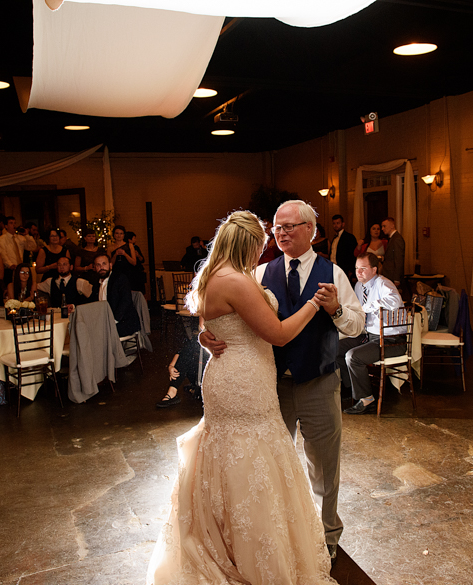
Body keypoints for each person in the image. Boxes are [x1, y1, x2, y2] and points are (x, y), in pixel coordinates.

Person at [147, 210, 338, 583]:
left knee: (226, 457)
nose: (261, 254)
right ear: (249, 243)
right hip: (244, 382)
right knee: (251, 461)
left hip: (225, 375)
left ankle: (221, 539)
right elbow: (279, 334)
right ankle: (249, 551)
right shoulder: (236, 279)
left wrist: (205, 335)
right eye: (261, 246)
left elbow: (208, 322)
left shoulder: (211, 275)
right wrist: (313, 305)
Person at [200, 201, 365, 567]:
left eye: (290, 226)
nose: (282, 233)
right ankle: (280, 538)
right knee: (271, 468)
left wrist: (336, 309)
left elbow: (356, 326)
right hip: (268, 387)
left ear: (311, 230)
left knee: (324, 467)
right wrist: (205, 334)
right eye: (277, 228)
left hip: (318, 382)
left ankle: (325, 538)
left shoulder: (333, 272)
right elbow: (223, 312)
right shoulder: (256, 274)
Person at [337, 253, 405, 414]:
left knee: (353, 356)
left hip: (391, 340)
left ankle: (366, 400)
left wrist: (367, 307)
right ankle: (350, 389)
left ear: (374, 269)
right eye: (356, 268)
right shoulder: (359, 287)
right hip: (369, 335)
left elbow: (395, 301)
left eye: (363, 268)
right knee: (335, 348)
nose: (358, 272)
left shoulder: (383, 283)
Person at [87, 253, 140, 337]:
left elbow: (125, 301)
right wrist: (74, 306)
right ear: (95, 268)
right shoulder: (97, 283)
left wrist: (113, 320)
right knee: (85, 329)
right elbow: (91, 302)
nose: (101, 267)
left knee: (96, 333)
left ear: (110, 265)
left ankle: (106, 350)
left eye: (104, 264)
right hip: (106, 321)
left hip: (123, 321)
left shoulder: (120, 279)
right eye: (98, 265)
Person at [155, 336, 203, 408]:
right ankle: (172, 392)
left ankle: (196, 388)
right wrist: (171, 366)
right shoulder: (200, 336)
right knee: (187, 355)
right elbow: (182, 351)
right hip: (200, 375)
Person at [329, 214, 357, 281]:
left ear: (343, 224)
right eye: (334, 223)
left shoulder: (349, 237)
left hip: (344, 269)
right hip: (334, 268)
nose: (336, 225)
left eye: (338, 223)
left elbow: (353, 255)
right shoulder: (334, 238)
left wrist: (351, 271)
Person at [0, 216, 21, 284]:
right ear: (6, 226)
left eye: (15, 223)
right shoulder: (1, 239)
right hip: (9, 269)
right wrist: (10, 265)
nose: (14, 225)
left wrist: (27, 235)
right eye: (11, 223)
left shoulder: (19, 238)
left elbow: (32, 247)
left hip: (20, 268)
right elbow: (3, 254)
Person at [380, 217, 405, 287]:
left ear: (392, 225)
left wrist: (396, 279)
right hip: (389, 275)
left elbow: (399, 259)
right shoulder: (393, 238)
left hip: (392, 276)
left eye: (384, 226)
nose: (382, 229)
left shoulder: (397, 239)